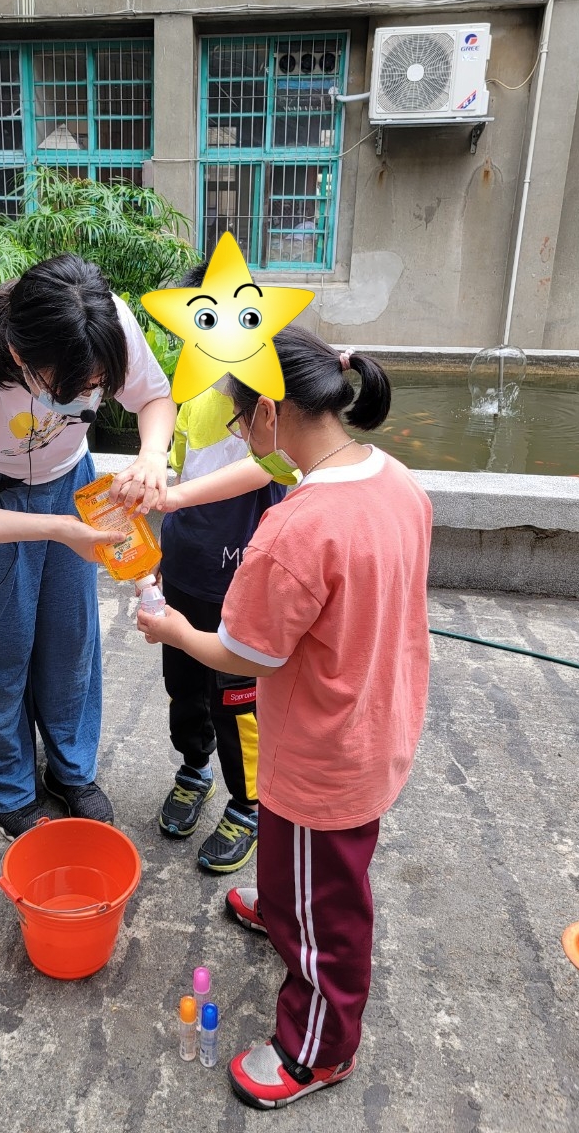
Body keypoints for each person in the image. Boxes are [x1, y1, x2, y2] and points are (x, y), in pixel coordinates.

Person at [138, 327, 432, 1110]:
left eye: (240, 419)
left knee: (330, 914)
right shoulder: (395, 478)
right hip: (375, 716)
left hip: (322, 751)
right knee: (302, 864)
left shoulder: (296, 527)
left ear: (270, 412)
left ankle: (317, 1050)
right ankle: (278, 908)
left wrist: (173, 630)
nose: (240, 434)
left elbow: (244, 654)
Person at [0, 253, 175, 841]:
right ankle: (2, 787)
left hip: (70, 483)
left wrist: (151, 455)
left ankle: (70, 769)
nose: (89, 396)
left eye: (97, 385)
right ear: (20, 356)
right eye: (73, 387)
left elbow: (154, 400)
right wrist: (57, 528)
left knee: (70, 639)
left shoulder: (103, 325)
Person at [156, 268, 285, 872]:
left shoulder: (271, 397)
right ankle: (193, 768)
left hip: (243, 580)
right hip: (186, 568)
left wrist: (177, 496)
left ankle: (248, 802)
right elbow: (178, 467)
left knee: (237, 698)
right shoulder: (191, 394)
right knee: (184, 685)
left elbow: (270, 466)